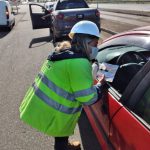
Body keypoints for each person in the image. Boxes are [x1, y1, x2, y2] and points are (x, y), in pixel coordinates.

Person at [19, 20, 105, 150]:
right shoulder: (79, 63)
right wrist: (100, 86)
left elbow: (68, 78)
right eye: (95, 44)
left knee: (60, 133)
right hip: (55, 111)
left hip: (40, 105)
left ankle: (64, 144)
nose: (96, 48)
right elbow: (87, 98)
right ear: (86, 42)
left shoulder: (63, 53)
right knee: (60, 134)